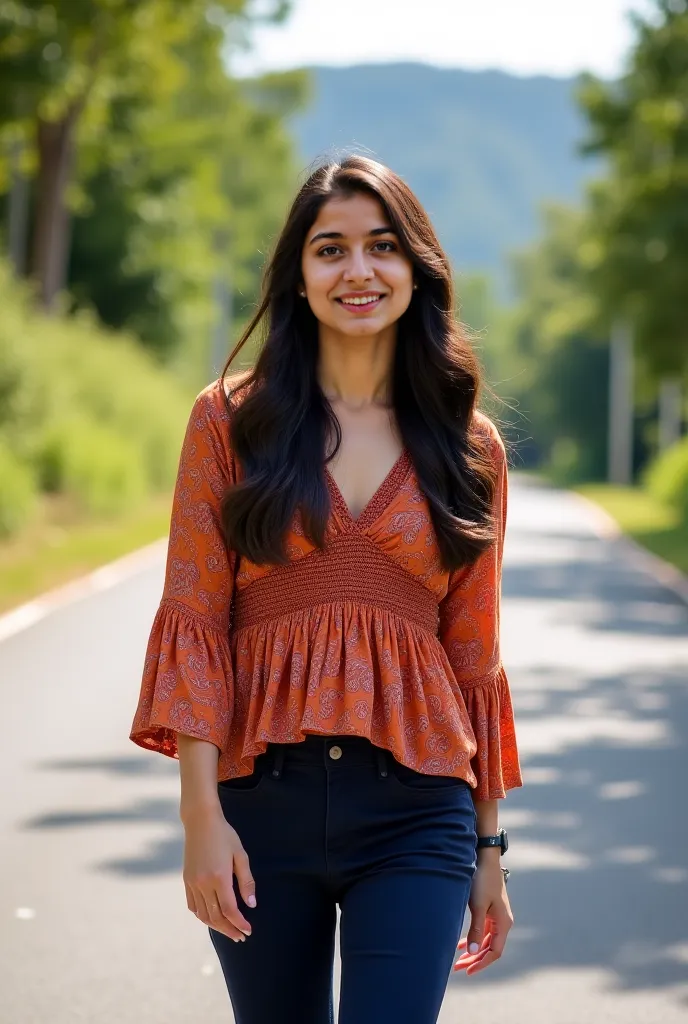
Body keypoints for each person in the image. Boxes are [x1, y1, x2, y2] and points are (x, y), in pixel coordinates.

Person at [129, 154, 523, 1024]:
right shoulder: (229, 420)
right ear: (298, 276)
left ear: (416, 270)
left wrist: (490, 846)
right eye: (330, 249)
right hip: (258, 810)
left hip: (418, 812)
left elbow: (474, 657)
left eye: (382, 247)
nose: (358, 270)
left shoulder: (470, 447)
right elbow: (196, 617)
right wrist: (201, 818)